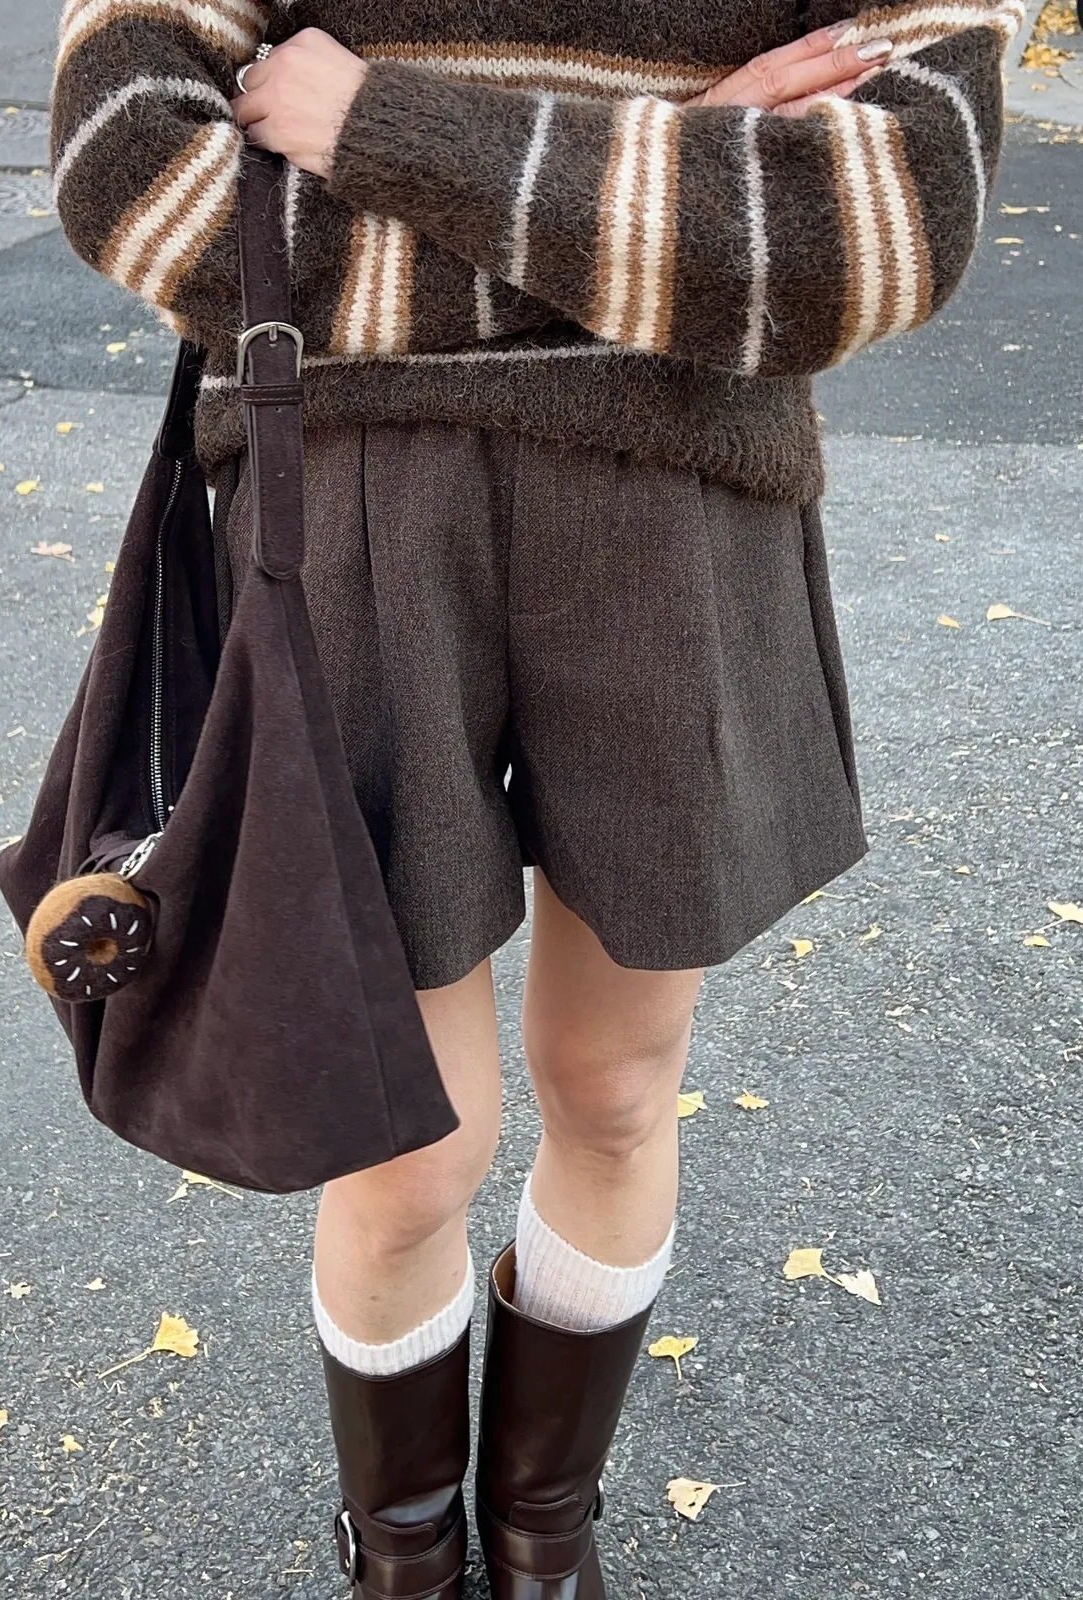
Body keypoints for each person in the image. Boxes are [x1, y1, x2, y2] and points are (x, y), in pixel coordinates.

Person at [49, 2, 1017, 1595]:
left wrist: (387, 133)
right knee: (407, 1151)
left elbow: (877, 232)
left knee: (617, 1088)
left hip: (681, 506)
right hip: (341, 510)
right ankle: (406, 1555)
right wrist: (672, 189)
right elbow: (133, 174)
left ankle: (541, 1533)